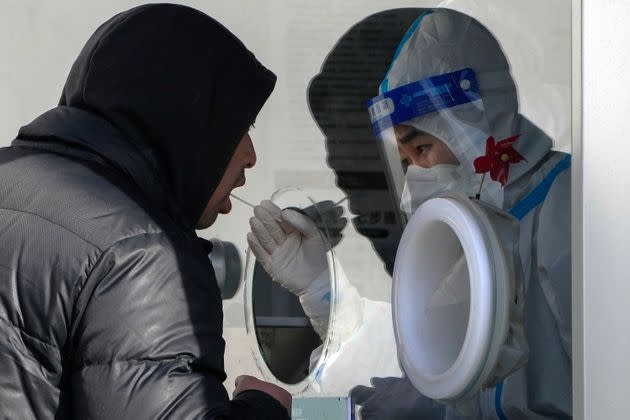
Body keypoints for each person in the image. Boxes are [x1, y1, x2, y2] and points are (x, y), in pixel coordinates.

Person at [249, 8, 571, 419]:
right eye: (404, 160)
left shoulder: (563, 206)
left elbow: (607, 387)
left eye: (422, 149)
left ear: (477, 124)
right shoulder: (477, 230)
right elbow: (428, 359)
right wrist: (323, 293)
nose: (417, 179)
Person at [0, 4, 291, 419]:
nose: (251, 156)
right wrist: (266, 407)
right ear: (187, 122)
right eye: (242, 128)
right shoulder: (140, 252)